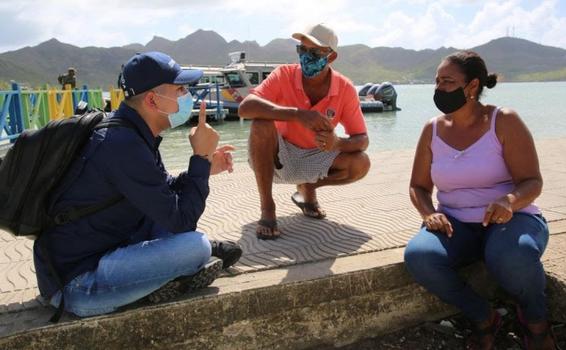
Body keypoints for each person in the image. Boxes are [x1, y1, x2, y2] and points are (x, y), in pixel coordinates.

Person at [33, 51, 243, 317]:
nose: (186, 95)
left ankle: (161, 280)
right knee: (195, 245)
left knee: (174, 230)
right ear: (153, 100)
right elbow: (182, 219)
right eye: (179, 89)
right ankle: (168, 277)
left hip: (103, 250)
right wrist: (200, 157)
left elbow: (161, 192)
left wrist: (203, 168)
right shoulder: (122, 144)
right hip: (78, 284)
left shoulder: (129, 132)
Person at [404, 51, 557, 349]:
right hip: (456, 225)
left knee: (514, 256)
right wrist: (427, 214)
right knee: (419, 256)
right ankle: (484, 316)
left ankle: (536, 323)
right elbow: (418, 186)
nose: (439, 88)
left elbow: (532, 181)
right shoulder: (431, 129)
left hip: (513, 220)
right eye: (437, 81)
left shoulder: (504, 120)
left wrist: (508, 201)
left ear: (472, 86)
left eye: (447, 81)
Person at [238, 23, 370, 239]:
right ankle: (268, 208)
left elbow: (362, 139)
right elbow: (246, 108)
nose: (307, 56)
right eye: (303, 50)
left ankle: (308, 187)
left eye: (315, 52)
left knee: (361, 163)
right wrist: (298, 114)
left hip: (317, 155)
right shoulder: (284, 75)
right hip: (279, 155)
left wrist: (337, 143)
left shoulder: (345, 88)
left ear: (331, 57)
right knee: (260, 123)